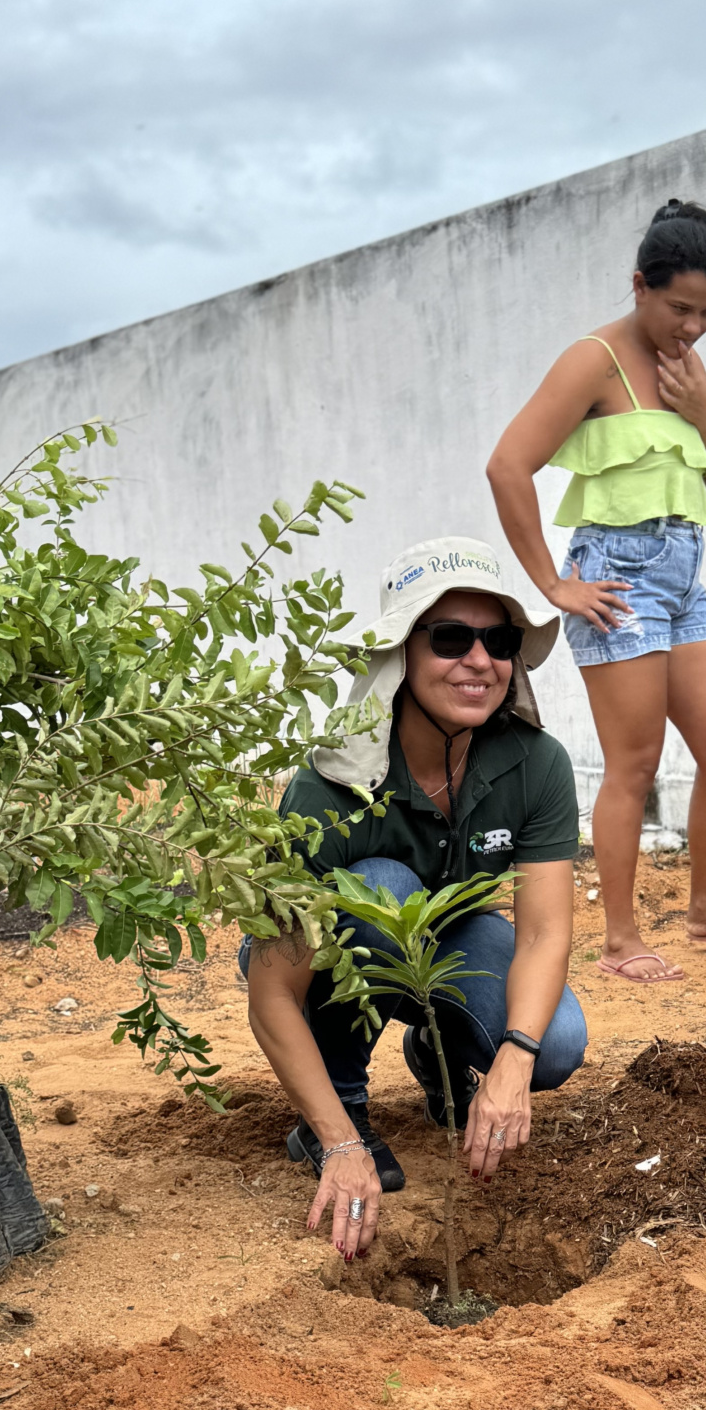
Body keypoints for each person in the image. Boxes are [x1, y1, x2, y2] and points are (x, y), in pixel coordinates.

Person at [243, 539, 587, 1262]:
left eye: (498, 641)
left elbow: (544, 934)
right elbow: (271, 992)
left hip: (445, 946)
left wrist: (512, 1065)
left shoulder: (535, 762)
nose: (479, 660)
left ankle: (439, 1055)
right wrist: (340, 1143)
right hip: (321, 959)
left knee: (553, 1042)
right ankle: (335, 1113)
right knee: (383, 890)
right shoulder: (331, 784)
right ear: (401, 655)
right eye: (451, 639)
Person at [486, 198, 706, 983]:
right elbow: (508, 465)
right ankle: (620, 938)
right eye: (680, 308)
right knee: (635, 761)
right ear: (639, 286)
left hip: (684, 573)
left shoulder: (687, 366)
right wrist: (553, 584)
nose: (693, 327)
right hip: (617, 572)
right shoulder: (594, 361)